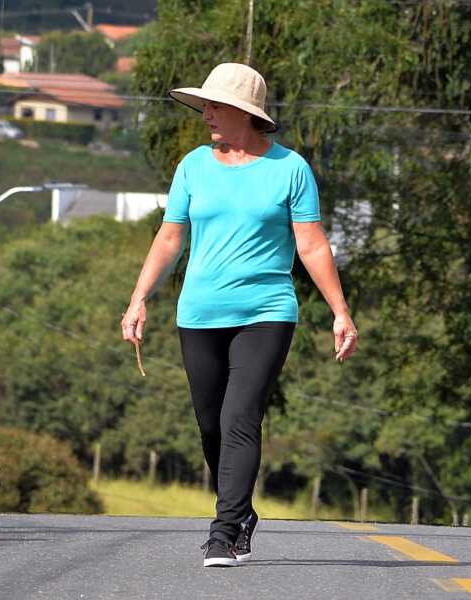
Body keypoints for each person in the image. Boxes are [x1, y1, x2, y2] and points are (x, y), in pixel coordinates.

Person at [121, 63, 358, 568]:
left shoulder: (290, 169)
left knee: (239, 418)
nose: (205, 113)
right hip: (199, 313)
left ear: (246, 114)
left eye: (215, 106)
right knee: (211, 426)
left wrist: (341, 312)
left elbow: (311, 245)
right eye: (204, 105)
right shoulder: (193, 167)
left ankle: (223, 533)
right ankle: (242, 511)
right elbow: (170, 238)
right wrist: (139, 297)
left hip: (266, 312)